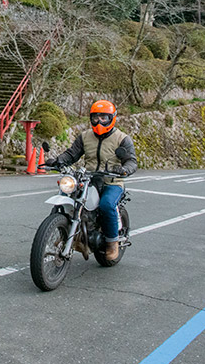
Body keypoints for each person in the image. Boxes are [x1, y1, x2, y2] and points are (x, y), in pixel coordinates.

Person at [44, 100, 137, 261]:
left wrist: (123, 169)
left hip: (112, 181)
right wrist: (58, 161)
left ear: (112, 118)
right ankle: (67, 233)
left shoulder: (122, 139)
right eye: (95, 118)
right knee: (70, 197)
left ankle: (112, 243)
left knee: (106, 205)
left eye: (104, 118)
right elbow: (72, 154)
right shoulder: (85, 137)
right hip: (89, 179)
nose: (99, 121)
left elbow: (131, 162)